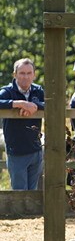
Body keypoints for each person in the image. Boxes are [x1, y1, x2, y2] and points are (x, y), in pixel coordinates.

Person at [0, 58, 45, 190]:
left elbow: (52, 104)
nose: (26, 77)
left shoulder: (38, 91)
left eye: (29, 73)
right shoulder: (7, 91)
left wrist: (35, 106)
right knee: (19, 194)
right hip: (16, 153)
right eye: (22, 73)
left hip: (36, 151)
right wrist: (19, 103)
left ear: (34, 75)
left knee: (33, 194)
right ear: (15, 75)